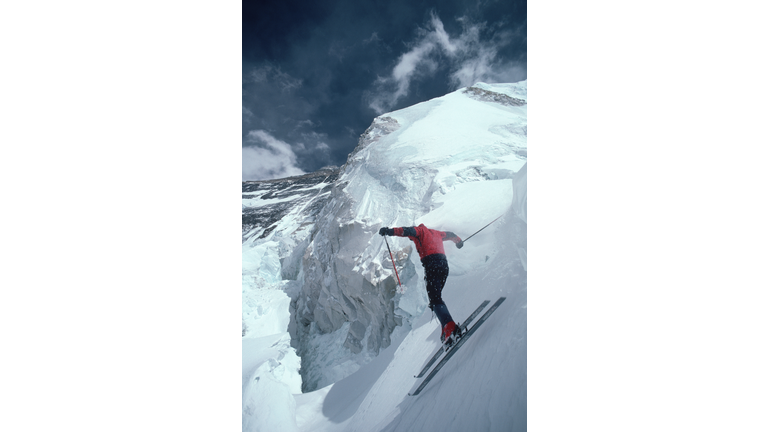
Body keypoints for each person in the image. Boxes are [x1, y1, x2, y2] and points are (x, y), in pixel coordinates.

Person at [379, 223, 464, 346]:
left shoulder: (419, 231)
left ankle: (449, 327)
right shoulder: (436, 233)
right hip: (444, 266)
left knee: (435, 300)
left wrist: (389, 231)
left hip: (432, 266)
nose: (411, 239)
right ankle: (446, 326)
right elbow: (450, 235)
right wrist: (459, 241)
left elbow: (405, 231)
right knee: (436, 299)